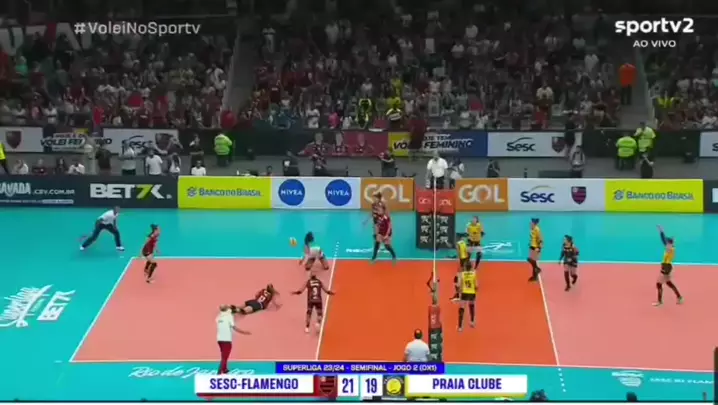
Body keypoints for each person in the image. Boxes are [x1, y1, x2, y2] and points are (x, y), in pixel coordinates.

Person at [216, 305, 250, 374]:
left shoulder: (218, 317)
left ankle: (225, 369)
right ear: (226, 309)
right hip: (226, 340)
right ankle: (219, 373)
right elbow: (234, 327)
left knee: (224, 355)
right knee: (224, 357)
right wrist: (244, 332)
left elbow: (229, 310)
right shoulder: (229, 316)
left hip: (219, 340)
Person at [654, 226, 683, 306]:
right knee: (668, 283)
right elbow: (664, 240)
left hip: (666, 267)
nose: (665, 244)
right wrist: (661, 232)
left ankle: (660, 301)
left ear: (670, 244)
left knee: (659, 283)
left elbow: (664, 241)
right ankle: (679, 297)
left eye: (667, 243)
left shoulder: (670, 249)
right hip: (667, 266)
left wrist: (662, 232)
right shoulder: (670, 247)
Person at [457, 259, 477, 331]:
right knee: (471, 307)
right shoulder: (473, 274)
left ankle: (460, 327)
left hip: (464, 292)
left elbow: (459, 285)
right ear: (471, 267)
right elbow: (476, 285)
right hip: (472, 292)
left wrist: (459, 293)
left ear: (465, 267)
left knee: (462, 308)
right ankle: (472, 322)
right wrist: (475, 291)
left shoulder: (462, 274)